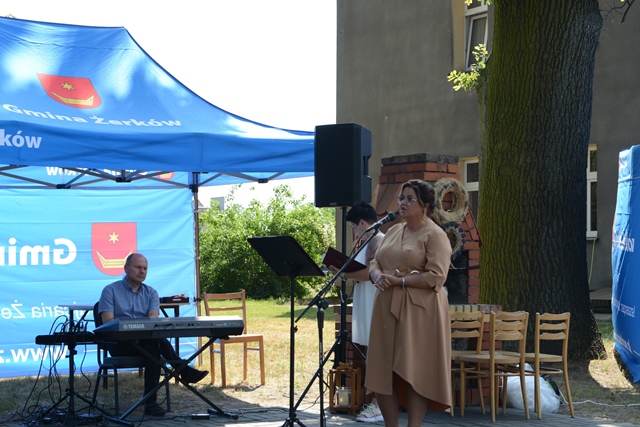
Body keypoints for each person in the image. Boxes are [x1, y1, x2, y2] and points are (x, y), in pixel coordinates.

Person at [365, 179, 452, 427]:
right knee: (381, 370)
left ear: (425, 205)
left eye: (409, 199)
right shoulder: (393, 231)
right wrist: (376, 275)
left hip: (419, 311)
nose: (402, 203)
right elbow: (376, 261)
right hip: (386, 306)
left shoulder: (435, 235)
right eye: (401, 198)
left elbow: (437, 276)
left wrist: (400, 281)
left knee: (415, 371)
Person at [98, 253, 208, 417]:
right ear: (126, 268)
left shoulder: (151, 293)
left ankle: (151, 402)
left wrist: (140, 328)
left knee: (153, 350)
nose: (142, 271)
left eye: (145, 268)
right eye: (138, 267)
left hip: (144, 341)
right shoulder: (110, 290)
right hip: (119, 343)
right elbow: (108, 322)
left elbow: (153, 320)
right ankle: (182, 370)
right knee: (155, 346)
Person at [328, 202, 385, 423]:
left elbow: (369, 272)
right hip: (366, 300)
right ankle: (376, 402)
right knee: (371, 353)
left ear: (362, 223)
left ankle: (378, 405)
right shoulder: (366, 242)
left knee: (378, 355)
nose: (353, 231)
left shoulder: (377, 240)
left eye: (353, 227)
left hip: (375, 302)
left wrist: (345, 275)